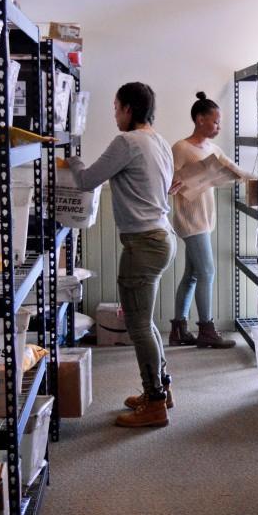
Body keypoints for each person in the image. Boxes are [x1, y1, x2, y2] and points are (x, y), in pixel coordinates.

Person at [66, 82, 176, 428]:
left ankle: (154, 403)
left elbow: (85, 180)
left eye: (116, 108)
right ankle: (161, 390)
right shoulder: (158, 140)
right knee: (146, 322)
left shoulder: (126, 142)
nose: (114, 115)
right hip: (160, 237)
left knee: (138, 324)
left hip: (143, 243)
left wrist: (70, 157)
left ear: (129, 109)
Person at [167, 92, 236, 349]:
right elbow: (168, 180)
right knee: (207, 271)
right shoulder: (181, 148)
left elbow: (231, 168)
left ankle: (178, 329)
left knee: (193, 274)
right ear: (200, 119)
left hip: (206, 218)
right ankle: (206, 329)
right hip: (189, 218)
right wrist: (173, 184)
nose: (218, 126)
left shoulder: (213, 149)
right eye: (215, 122)